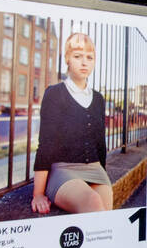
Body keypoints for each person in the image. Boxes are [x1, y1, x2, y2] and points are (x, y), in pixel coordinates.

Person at [31, 33, 113, 214]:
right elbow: (46, 143)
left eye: (89, 57)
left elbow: (100, 143)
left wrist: (103, 172)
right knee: (92, 203)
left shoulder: (98, 99)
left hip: (94, 169)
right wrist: (38, 193)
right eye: (77, 56)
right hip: (64, 170)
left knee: (107, 216)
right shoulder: (54, 94)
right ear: (67, 59)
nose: (84, 62)